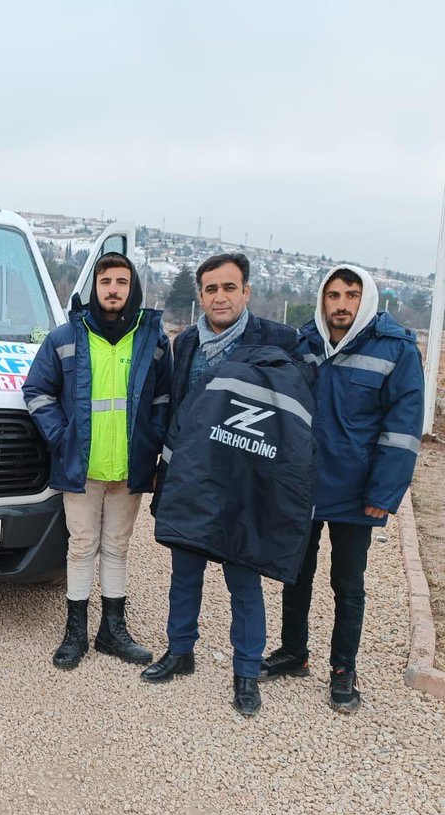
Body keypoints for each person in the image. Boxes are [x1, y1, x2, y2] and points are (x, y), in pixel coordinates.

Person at [141, 252, 300, 716]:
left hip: (245, 485)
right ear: (200, 295)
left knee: (243, 582)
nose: (220, 296)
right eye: (211, 289)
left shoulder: (279, 340)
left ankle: (247, 673)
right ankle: (180, 650)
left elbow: (293, 415)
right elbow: (174, 410)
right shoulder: (186, 341)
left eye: (230, 287)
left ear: (246, 292)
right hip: (193, 479)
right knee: (184, 574)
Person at [261, 265, 423, 713]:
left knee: (348, 584)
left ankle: (343, 669)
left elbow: (403, 429)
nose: (341, 304)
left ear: (366, 299)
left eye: (351, 295)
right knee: (295, 574)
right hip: (305, 486)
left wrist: (383, 494)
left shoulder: (396, 348)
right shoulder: (304, 343)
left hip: (357, 492)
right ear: (322, 299)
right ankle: (294, 652)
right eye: (333, 295)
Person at [23, 252, 172, 670]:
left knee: (118, 547)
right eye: (106, 282)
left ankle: (113, 630)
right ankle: (76, 633)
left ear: (132, 288)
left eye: (121, 282)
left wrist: (152, 442)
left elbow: (164, 400)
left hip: (129, 466)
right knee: (82, 546)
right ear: (95, 287)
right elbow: (37, 391)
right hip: (81, 464)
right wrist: (60, 437)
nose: (113, 290)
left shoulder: (151, 339)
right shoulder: (66, 336)